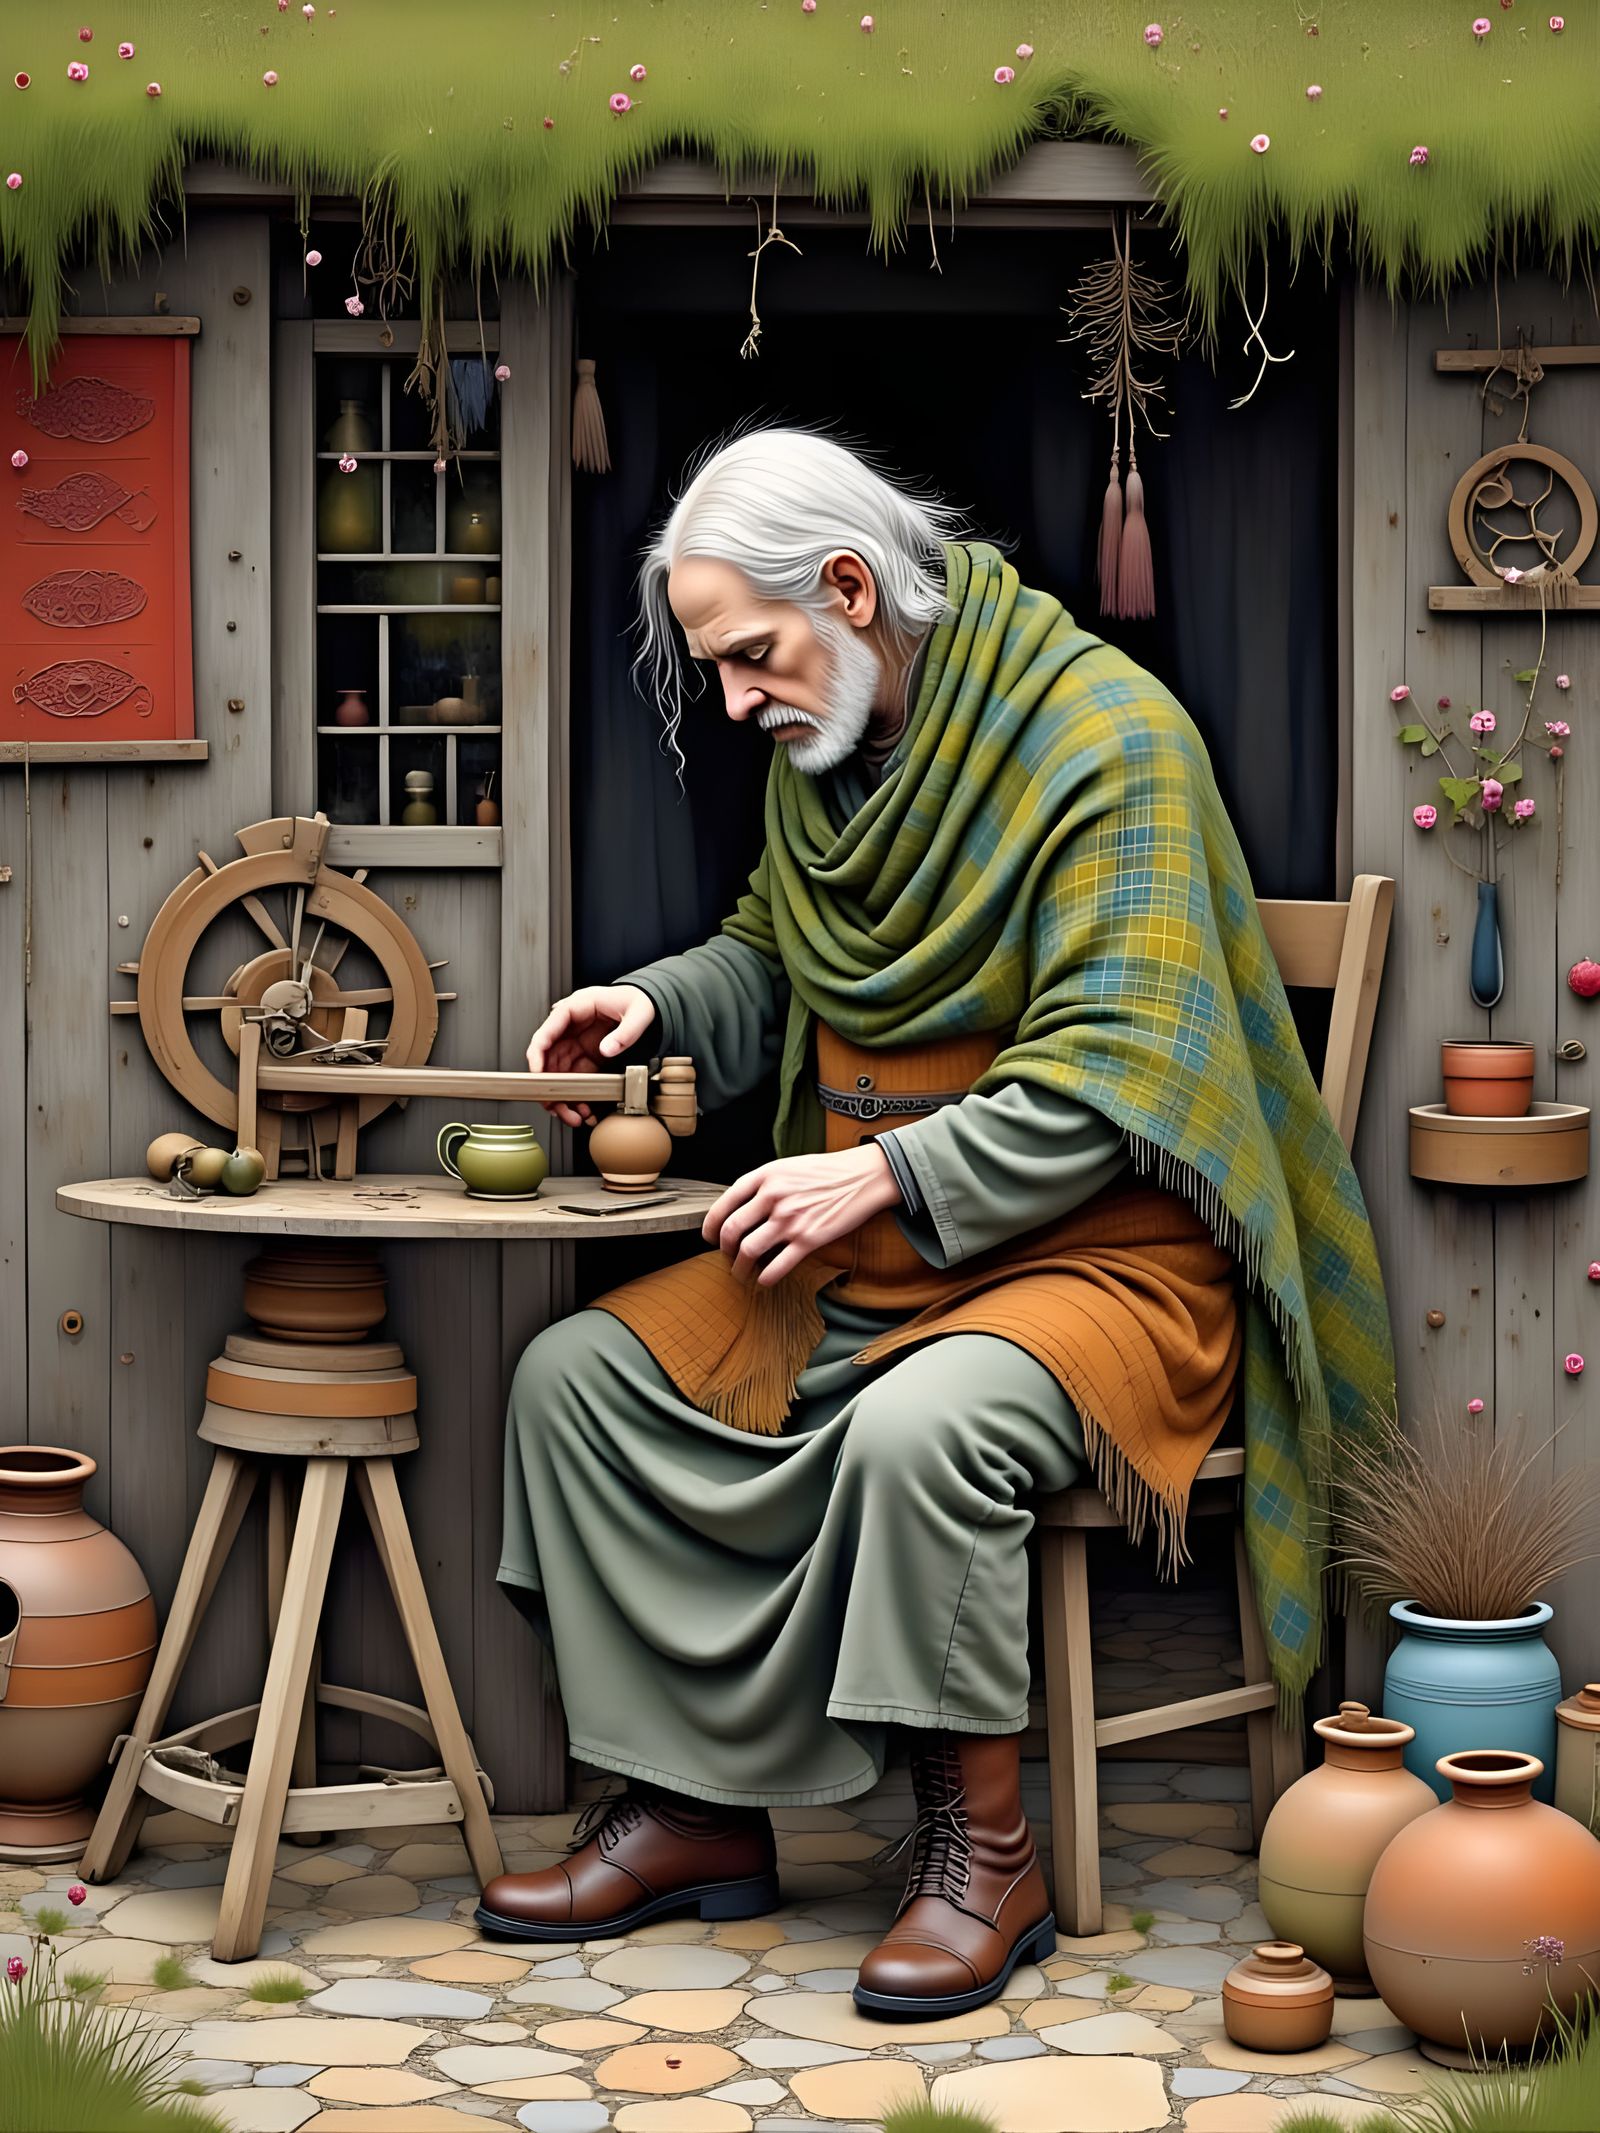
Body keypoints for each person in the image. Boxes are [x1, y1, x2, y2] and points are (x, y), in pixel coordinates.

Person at [475, 428, 1393, 2020]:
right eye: (721, 671)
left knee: (923, 1430)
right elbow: (775, 956)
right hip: (878, 1258)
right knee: (575, 1383)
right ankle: (693, 1805)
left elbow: (1119, 1076)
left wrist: (888, 1172)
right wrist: (653, 999)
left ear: (848, 587)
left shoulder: (1110, 738)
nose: (740, 700)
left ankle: (983, 1852)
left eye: (752, 656)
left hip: (1097, 1265)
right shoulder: (824, 754)